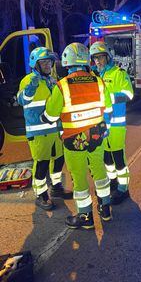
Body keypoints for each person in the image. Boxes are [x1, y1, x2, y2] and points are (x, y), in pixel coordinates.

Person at [41, 43, 113, 229]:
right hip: (97, 135)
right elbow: (108, 107)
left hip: (74, 139)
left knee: (79, 176)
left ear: (67, 62)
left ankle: (85, 217)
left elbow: (50, 115)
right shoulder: (98, 81)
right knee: (100, 171)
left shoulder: (62, 86)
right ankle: (105, 210)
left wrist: (45, 115)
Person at [17, 47, 69, 211]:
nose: (48, 65)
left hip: (55, 129)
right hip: (39, 132)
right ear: (35, 64)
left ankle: (56, 187)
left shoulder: (52, 80)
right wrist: (31, 87)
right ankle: (41, 194)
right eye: (44, 62)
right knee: (42, 164)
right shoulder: (28, 80)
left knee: (59, 159)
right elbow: (22, 100)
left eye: (49, 62)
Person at [89, 41, 134, 205]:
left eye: (101, 57)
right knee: (107, 158)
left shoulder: (119, 73)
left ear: (107, 57)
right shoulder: (95, 77)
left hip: (116, 125)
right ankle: (113, 182)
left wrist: (108, 98)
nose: (98, 61)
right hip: (102, 125)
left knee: (118, 159)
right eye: (95, 59)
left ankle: (123, 189)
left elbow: (129, 94)